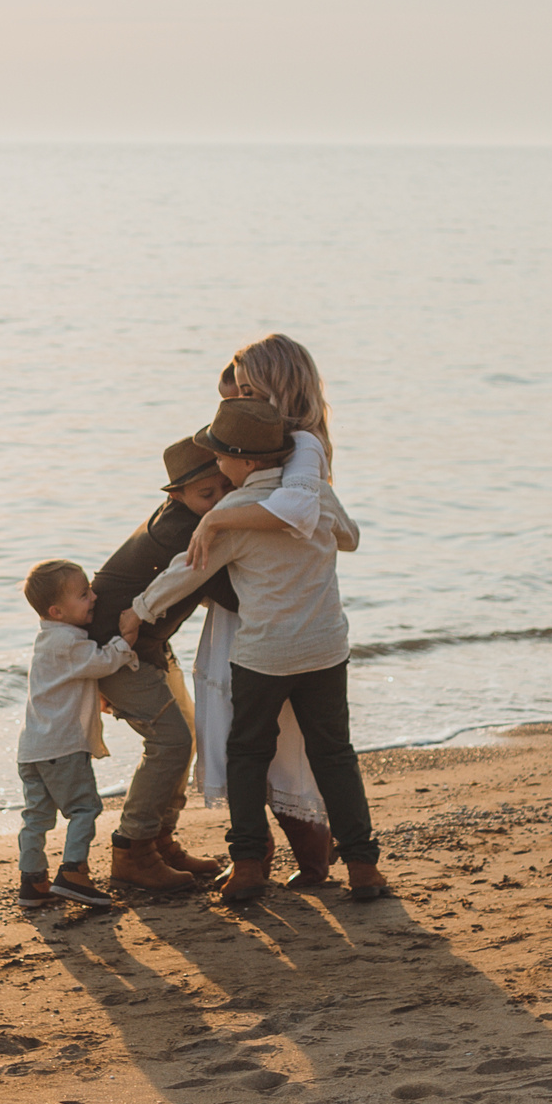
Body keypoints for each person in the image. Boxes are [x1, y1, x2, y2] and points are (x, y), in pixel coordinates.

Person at [123, 396, 391, 906]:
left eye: (221, 457)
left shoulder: (233, 514)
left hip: (264, 656)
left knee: (246, 754)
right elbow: (351, 539)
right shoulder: (313, 499)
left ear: (246, 463)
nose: (218, 467)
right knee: (334, 754)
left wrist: (139, 609)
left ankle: (247, 866)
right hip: (325, 649)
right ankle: (363, 867)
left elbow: (188, 570)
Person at [183, 336, 340, 883]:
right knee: (248, 732)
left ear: (282, 387)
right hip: (255, 599)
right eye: (235, 394)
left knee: (269, 737)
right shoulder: (273, 441)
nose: (240, 403)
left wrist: (216, 521)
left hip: (271, 610)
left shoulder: (300, 445)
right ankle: (260, 852)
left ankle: (302, 851)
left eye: (251, 391)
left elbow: (300, 509)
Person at [83, 438, 236, 892]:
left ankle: (161, 839)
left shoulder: (198, 518)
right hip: (115, 648)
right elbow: (230, 593)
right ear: (176, 497)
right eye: (207, 494)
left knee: (184, 734)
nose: (221, 500)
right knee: (171, 740)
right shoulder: (184, 531)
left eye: (227, 487)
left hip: (147, 645)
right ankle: (133, 849)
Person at [14, 559, 132, 909]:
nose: (94, 597)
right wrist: (125, 643)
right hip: (62, 748)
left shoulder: (48, 640)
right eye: (84, 594)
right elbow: (103, 662)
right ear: (58, 611)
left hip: (32, 750)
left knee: (36, 817)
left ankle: (32, 881)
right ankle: (74, 873)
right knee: (84, 808)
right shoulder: (68, 642)